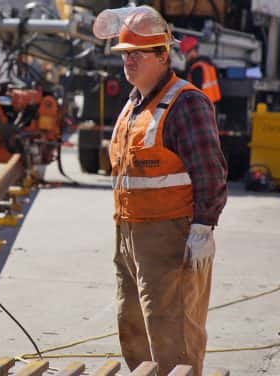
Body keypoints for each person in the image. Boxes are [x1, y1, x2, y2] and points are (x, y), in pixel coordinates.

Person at [93, 6, 227, 376]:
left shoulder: (186, 103)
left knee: (172, 334)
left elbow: (210, 171)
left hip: (170, 237)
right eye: (124, 54)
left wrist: (203, 228)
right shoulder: (134, 104)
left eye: (138, 53)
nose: (129, 61)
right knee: (132, 327)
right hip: (129, 235)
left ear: (163, 55)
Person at [179, 35, 221, 103]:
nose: (185, 57)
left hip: (201, 107)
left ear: (192, 51)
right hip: (212, 106)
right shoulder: (208, 64)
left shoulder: (197, 69)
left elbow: (194, 94)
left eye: (186, 53)